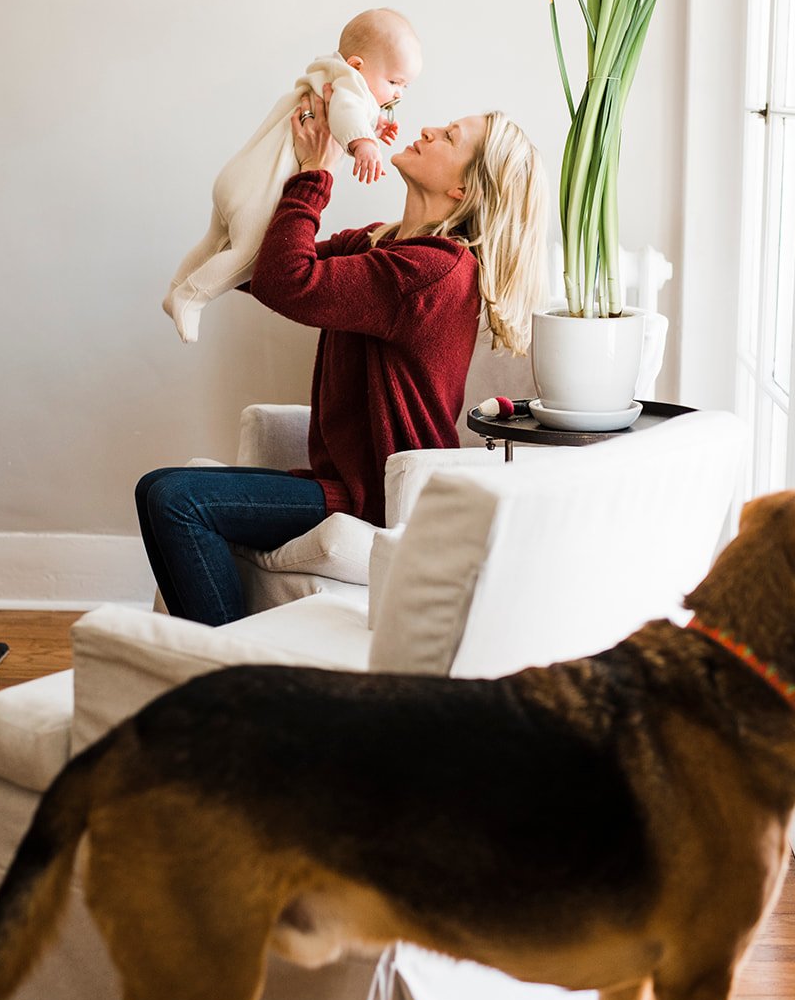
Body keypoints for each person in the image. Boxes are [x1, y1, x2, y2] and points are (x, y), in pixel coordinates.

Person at [137, 82, 549, 626]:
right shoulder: (381, 244)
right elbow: (261, 269)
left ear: (464, 189)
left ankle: (222, 660)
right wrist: (290, 155)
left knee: (175, 499)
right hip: (342, 485)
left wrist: (317, 172)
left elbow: (289, 282)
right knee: (162, 491)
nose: (429, 129)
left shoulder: (434, 271)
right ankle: (223, 653)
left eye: (450, 137)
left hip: (376, 500)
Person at [162, 8, 422, 343]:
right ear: (357, 66)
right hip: (260, 191)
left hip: (239, 178)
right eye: (394, 82)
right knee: (252, 254)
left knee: (214, 241)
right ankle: (191, 297)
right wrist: (364, 144)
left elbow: (348, 112)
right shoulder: (350, 87)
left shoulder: (330, 78)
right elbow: (345, 112)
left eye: (404, 86)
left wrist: (373, 125)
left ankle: (175, 288)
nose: (399, 94)